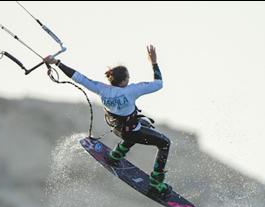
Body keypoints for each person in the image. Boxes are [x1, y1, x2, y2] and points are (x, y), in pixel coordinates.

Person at [44, 45, 172, 196]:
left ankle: (116, 155)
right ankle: (156, 183)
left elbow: (77, 77)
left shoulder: (101, 89)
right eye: (128, 77)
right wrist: (154, 63)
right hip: (130, 132)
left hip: (117, 129)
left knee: (142, 125)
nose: (130, 79)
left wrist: (57, 63)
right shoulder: (132, 90)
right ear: (124, 81)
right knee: (164, 143)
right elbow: (159, 84)